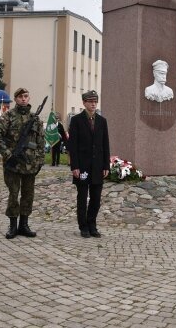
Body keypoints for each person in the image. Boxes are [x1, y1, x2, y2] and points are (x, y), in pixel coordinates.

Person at [0, 88, 45, 239]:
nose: (23, 99)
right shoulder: (8, 117)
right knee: (13, 194)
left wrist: (39, 161)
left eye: (26, 96)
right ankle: (13, 225)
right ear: (15, 99)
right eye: (20, 97)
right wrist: (7, 154)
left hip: (29, 164)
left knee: (28, 195)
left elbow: (41, 142)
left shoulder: (35, 119)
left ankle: (24, 225)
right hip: (12, 165)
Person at [67, 90, 110, 238]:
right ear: (84, 103)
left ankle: (92, 224)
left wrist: (106, 166)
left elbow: (105, 145)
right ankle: (83, 226)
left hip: (98, 166)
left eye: (95, 101)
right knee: (82, 197)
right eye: (90, 101)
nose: (93, 104)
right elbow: (72, 145)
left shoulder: (102, 121)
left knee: (96, 198)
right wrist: (75, 166)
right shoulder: (76, 120)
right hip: (83, 166)